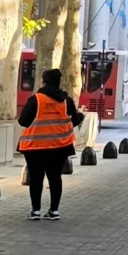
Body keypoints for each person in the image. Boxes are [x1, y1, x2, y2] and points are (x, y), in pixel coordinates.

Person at [16, 67, 83, 219]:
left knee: (36, 178)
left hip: (35, 147)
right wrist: (80, 116)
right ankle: (54, 211)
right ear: (59, 82)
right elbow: (74, 120)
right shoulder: (66, 101)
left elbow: (23, 121)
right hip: (60, 146)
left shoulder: (36, 99)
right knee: (55, 178)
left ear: (43, 81)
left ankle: (36, 211)